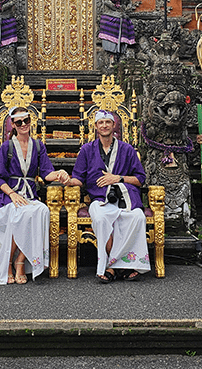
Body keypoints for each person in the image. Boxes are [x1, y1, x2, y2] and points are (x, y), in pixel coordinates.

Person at [67, 110, 150, 283]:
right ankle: (121, 267)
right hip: (100, 199)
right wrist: (67, 180)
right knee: (100, 218)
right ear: (96, 126)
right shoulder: (87, 150)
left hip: (126, 199)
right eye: (101, 122)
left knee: (137, 217)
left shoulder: (127, 149)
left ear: (114, 126)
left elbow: (140, 179)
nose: (104, 125)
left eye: (108, 122)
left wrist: (118, 178)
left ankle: (112, 267)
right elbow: (78, 178)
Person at [0, 106, 69, 284]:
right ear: (13, 125)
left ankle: (20, 262)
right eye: (19, 122)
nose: (24, 124)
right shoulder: (6, 147)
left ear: (30, 121)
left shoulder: (38, 146)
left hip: (29, 196)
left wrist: (59, 174)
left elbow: (46, 173)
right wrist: (12, 194)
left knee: (41, 211)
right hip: (7, 196)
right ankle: (8, 263)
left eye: (26, 120)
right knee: (19, 214)